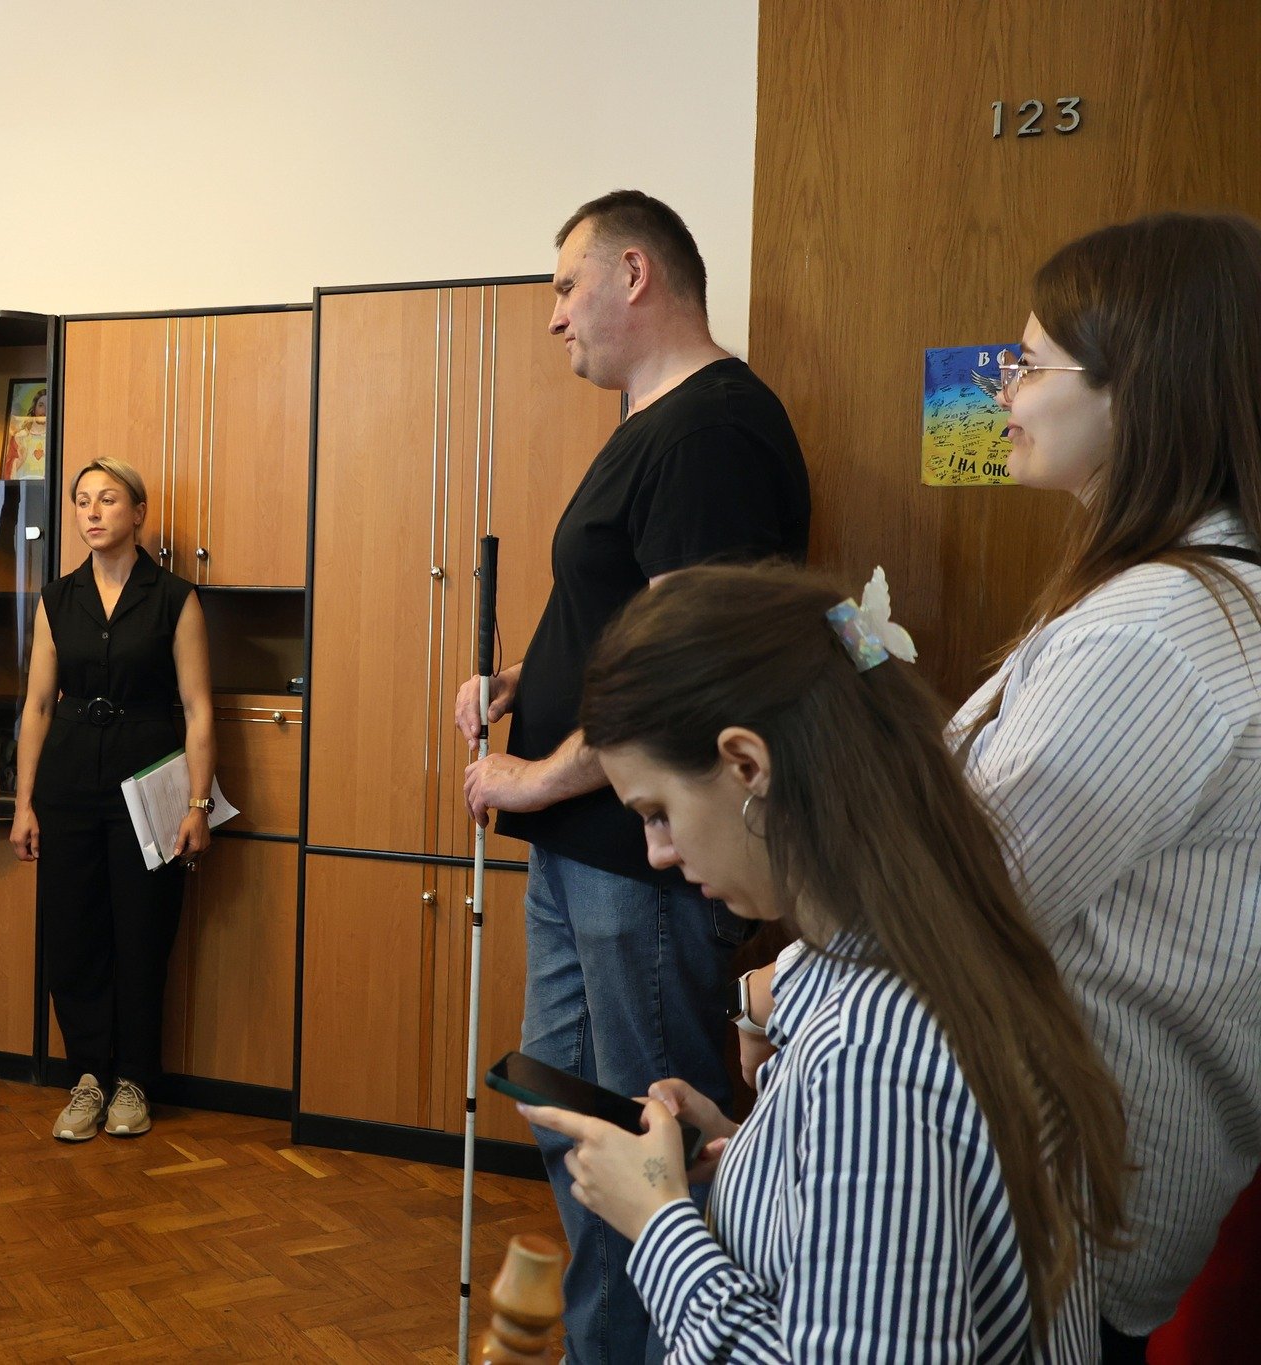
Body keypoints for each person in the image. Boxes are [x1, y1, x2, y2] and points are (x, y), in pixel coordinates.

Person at [525, 562, 1127, 1362]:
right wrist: (747, 1155)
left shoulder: (870, 1054)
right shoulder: (935, 950)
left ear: (747, 764)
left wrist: (660, 1223)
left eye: (659, 811)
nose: (657, 852)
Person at [452, 190, 810, 1362]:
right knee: (578, 1135)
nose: (554, 316)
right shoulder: (650, 425)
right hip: (585, 856)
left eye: (565, 286)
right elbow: (619, 616)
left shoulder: (711, 434)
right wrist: (525, 678)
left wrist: (530, 778)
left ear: (634, 273)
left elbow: (680, 675)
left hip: (641, 862)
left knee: (647, 1155)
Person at [950, 211, 1261, 1360]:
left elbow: (963, 901)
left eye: (1027, 364)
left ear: (1136, 391)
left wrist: (769, 992)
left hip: (1054, 1220)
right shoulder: (1161, 597)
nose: (1000, 393)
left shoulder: (1153, 632)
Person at [11, 457, 214, 1142]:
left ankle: (133, 1080)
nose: (92, 512)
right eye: (82, 501)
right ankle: (88, 1078)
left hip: (148, 781)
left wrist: (198, 805)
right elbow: (39, 704)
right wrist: (24, 803)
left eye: (108, 499)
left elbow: (198, 708)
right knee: (72, 936)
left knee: (142, 933)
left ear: (138, 513)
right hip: (67, 783)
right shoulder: (56, 598)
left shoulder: (175, 597)